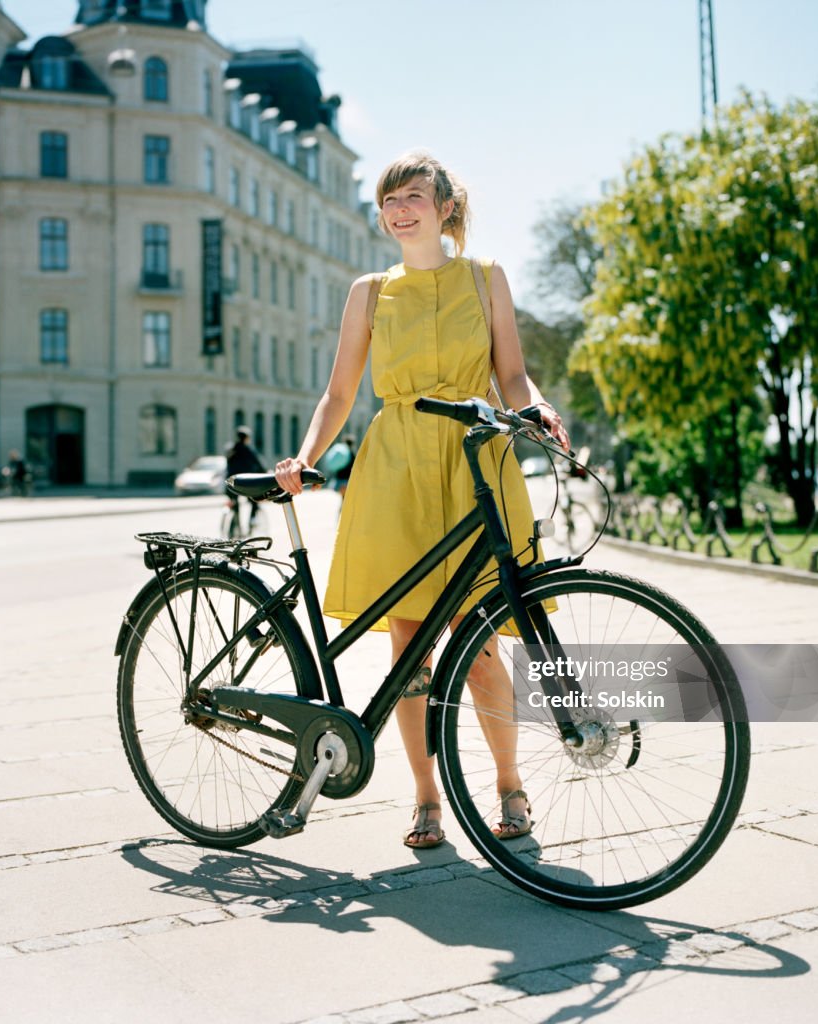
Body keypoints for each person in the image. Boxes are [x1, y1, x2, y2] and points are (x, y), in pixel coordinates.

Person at [275, 152, 569, 849]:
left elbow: (512, 374)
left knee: (484, 639)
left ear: (445, 208)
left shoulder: (485, 276)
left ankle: (508, 786)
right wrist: (306, 458)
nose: (399, 209)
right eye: (388, 200)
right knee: (408, 645)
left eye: (412, 196)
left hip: (476, 461)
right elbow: (340, 391)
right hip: (396, 464)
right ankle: (425, 799)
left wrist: (538, 409)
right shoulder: (369, 291)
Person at [226, 426, 265, 533]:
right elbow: (259, 465)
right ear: (247, 438)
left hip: (230, 482)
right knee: (254, 500)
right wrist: (265, 473)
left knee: (235, 502)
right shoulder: (248, 450)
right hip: (245, 482)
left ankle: (235, 526)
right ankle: (252, 520)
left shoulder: (231, 449)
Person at [333, 435, 356, 501]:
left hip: (340, 477)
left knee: (343, 496)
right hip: (347, 478)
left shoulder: (341, 453)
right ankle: (343, 507)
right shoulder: (351, 454)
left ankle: (343, 507)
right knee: (346, 496)